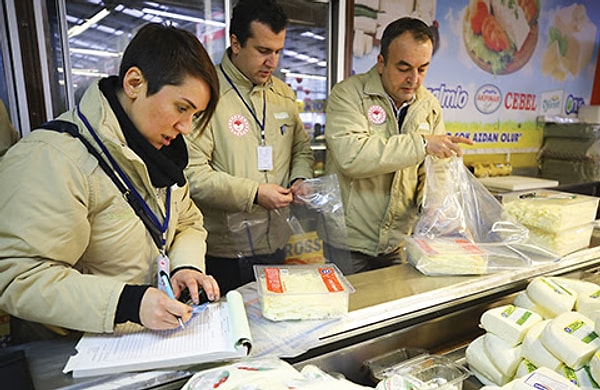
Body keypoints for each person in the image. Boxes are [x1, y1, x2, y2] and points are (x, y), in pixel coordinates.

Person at [0, 23, 220, 343]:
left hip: (146, 338)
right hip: (72, 349)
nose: (186, 127)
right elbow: (19, 275)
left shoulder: (162, 156)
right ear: (134, 83)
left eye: (194, 115)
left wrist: (184, 267)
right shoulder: (52, 157)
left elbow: (187, 221)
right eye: (181, 108)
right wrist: (126, 303)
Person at [324, 17, 472, 275]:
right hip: (349, 241)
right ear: (381, 63)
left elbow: (434, 170)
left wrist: (438, 210)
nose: (413, 79)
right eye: (404, 68)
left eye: (423, 69)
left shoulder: (429, 106)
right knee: (352, 311)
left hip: (397, 241)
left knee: (395, 308)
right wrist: (422, 143)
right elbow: (352, 156)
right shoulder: (349, 95)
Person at [185, 0, 314, 294]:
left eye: (278, 51)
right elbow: (191, 175)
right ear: (235, 43)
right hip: (223, 253)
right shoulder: (206, 93)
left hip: (277, 243)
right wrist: (254, 193)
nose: (273, 62)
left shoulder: (283, 95)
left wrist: (300, 178)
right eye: (263, 51)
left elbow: (301, 150)